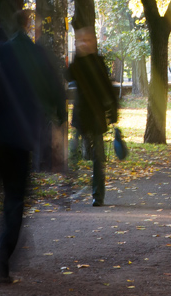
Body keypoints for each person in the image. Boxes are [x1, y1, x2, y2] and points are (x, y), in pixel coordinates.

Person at [0, 9, 65, 285]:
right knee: (15, 201)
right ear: (29, 27)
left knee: (7, 198)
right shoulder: (38, 56)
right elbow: (57, 96)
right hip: (21, 139)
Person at [68, 26, 118, 207]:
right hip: (81, 116)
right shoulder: (77, 63)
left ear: (93, 42)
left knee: (98, 158)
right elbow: (68, 76)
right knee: (73, 156)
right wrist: (77, 56)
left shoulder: (98, 61)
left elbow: (108, 88)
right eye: (81, 40)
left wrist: (113, 113)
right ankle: (70, 190)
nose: (84, 43)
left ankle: (98, 195)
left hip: (96, 117)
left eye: (87, 40)